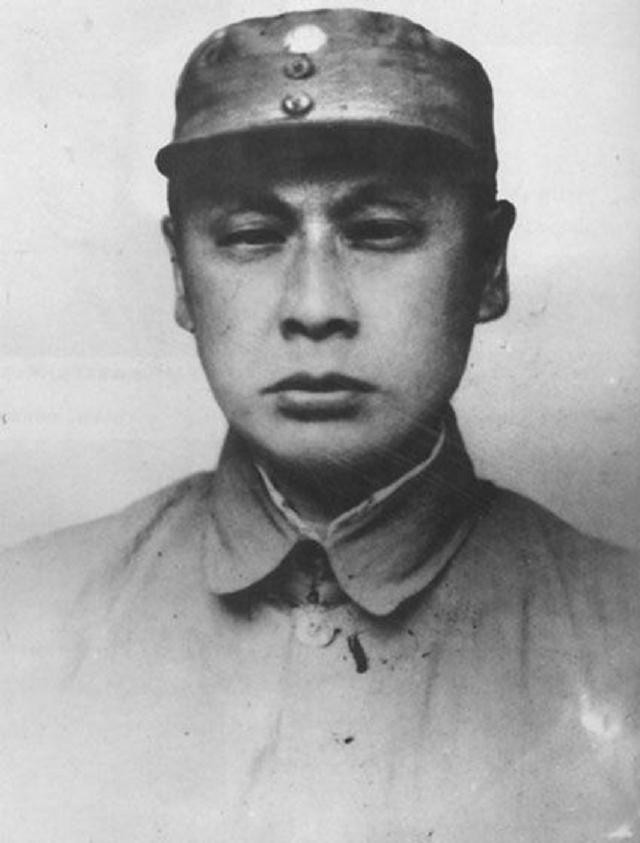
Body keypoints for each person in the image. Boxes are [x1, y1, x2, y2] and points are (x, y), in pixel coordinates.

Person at [0, 8, 638, 842]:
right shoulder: (26, 619)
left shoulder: (622, 639)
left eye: (380, 232)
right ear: (182, 277)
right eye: (251, 235)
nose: (314, 306)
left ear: (488, 264)